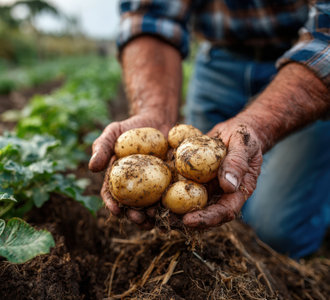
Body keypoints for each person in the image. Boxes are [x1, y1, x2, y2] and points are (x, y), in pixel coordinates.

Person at [89, 0, 330, 259]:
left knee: (276, 231)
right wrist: (154, 111)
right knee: (219, 194)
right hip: (217, 61)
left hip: (308, 59)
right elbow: (150, 16)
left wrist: (258, 126)